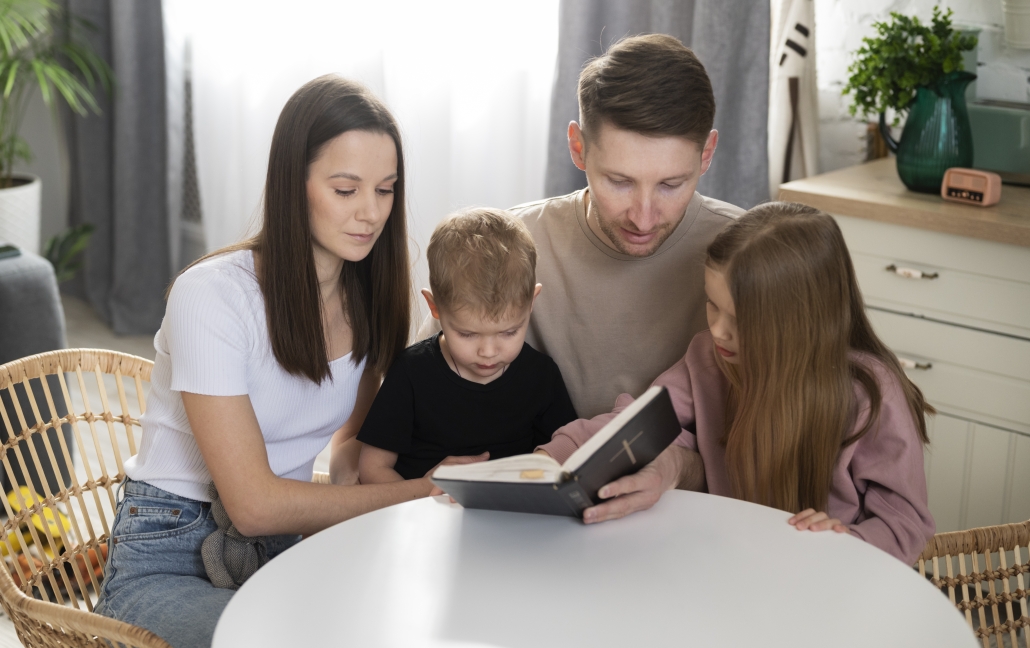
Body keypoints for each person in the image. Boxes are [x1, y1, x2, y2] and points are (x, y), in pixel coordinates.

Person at [93, 76, 471, 648]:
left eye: (386, 190)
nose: (371, 211)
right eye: (346, 189)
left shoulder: (369, 294)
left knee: (410, 641)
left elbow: (353, 449)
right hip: (169, 557)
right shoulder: (212, 296)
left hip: (285, 547)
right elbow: (253, 504)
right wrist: (417, 494)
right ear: (292, 185)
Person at [419, 34, 743, 523]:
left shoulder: (745, 256)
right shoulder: (512, 245)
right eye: (619, 181)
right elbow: (424, 382)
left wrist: (679, 465)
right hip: (527, 519)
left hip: (692, 524)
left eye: (672, 185)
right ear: (577, 147)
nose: (644, 215)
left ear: (707, 154)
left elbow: (777, 446)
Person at [538, 202, 936, 563]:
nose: (718, 330)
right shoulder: (708, 358)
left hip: (826, 588)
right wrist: (550, 458)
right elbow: (641, 422)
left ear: (804, 319)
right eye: (712, 304)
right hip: (731, 566)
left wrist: (845, 541)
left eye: (742, 319)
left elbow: (905, 524)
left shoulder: (870, 394)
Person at [359, 208, 578, 483]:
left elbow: (567, 458)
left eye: (509, 332)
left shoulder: (541, 376)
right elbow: (372, 469)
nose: (488, 352)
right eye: (467, 334)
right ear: (434, 306)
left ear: (532, 302)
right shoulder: (411, 373)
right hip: (422, 514)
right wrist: (421, 494)